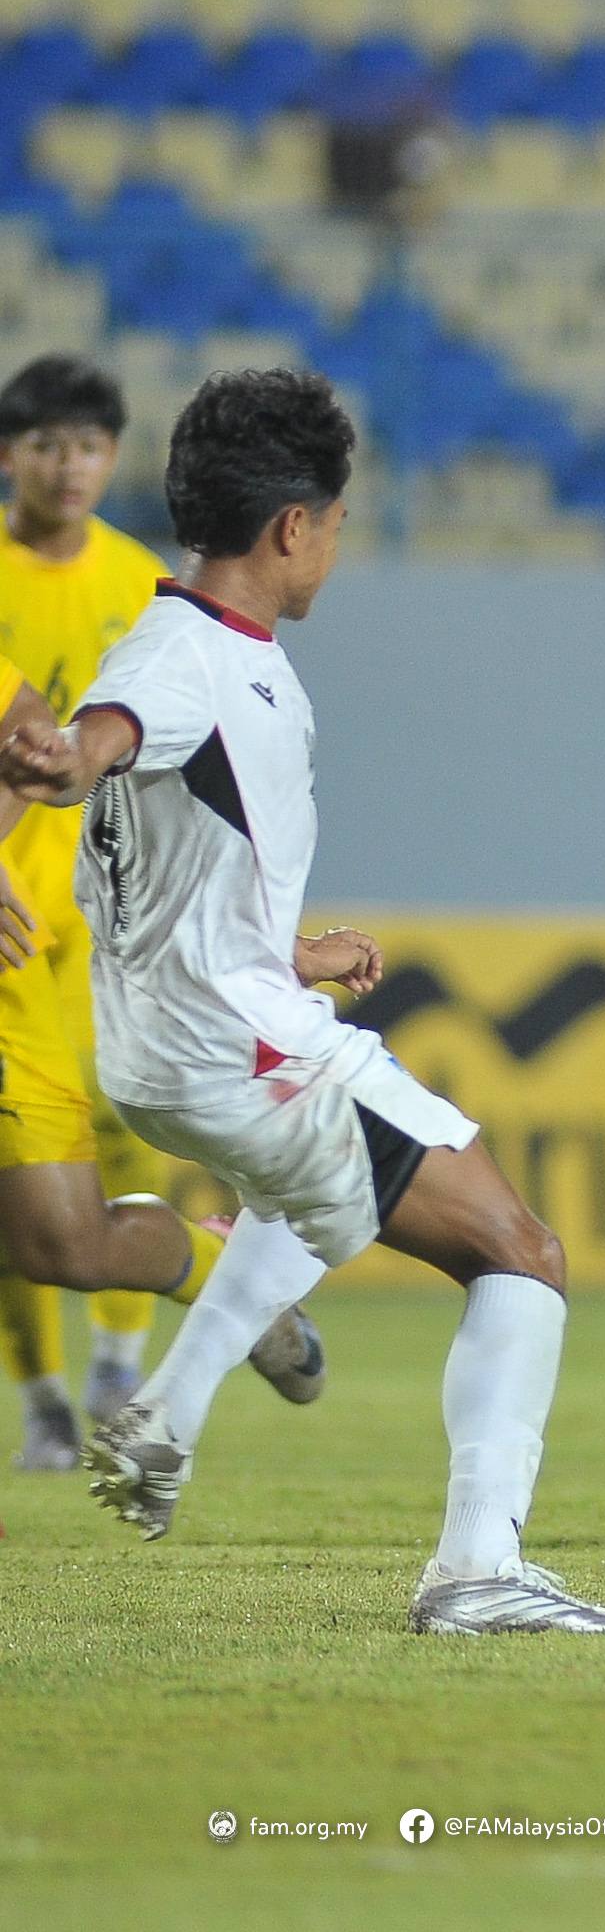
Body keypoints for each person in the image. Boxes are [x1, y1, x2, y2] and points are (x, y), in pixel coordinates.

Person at [0, 367, 605, 1637]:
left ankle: (169, 1416)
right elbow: (108, 741)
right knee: (522, 1251)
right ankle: (475, 1574)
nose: (336, 548)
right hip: (229, 1054)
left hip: (180, 1039)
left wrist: (292, 953)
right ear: (293, 524)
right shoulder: (188, 660)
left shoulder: (178, 631)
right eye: (338, 524)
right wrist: (66, 759)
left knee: (326, 1190)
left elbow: (159, 862)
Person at [0, 355, 317, 1465]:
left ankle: (120, 1371)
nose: (70, 464)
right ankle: (48, 1392)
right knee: (40, 1231)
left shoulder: (144, 587)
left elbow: (41, 739)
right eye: (49, 443)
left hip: (78, 936)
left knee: (62, 1228)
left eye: (89, 444)